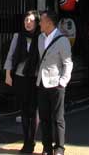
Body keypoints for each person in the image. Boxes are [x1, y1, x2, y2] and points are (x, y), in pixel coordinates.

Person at [36, 10, 73, 155]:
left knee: (57, 118)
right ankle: (46, 147)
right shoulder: (40, 38)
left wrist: (63, 81)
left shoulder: (62, 40)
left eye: (41, 21)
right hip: (42, 83)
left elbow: (68, 63)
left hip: (56, 83)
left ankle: (59, 148)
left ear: (49, 23)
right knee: (44, 118)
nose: (39, 23)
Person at [4, 10, 41, 153]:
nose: (28, 23)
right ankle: (26, 141)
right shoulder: (18, 36)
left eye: (31, 20)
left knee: (34, 110)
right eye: (26, 20)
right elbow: (10, 55)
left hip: (36, 77)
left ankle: (32, 140)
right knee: (24, 110)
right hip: (20, 76)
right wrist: (8, 74)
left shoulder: (41, 37)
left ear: (37, 22)